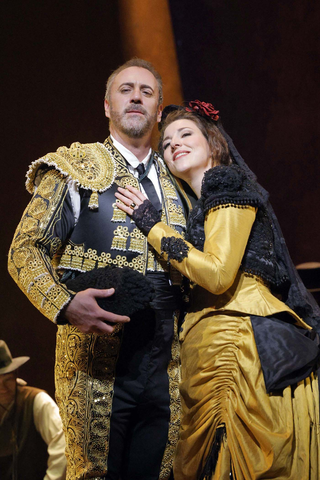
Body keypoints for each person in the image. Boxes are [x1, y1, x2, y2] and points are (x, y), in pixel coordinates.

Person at [115, 100, 320, 480]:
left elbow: (218, 275)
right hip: (210, 340)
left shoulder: (225, 183)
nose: (173, 143)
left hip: (238, 340)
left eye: (185, 134)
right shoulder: (202, 203)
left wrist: (151, 224)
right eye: (167, 142)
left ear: (214, 142)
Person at [7, 58, 189, 480]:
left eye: (147, 91)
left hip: (170, 359)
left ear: (159, 110)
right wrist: (66, 305)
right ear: (107, 105)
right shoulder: (75, 169)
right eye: (126, 90)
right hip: (94, 358)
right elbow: (24, 250)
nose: (136, 97)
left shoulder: (182, 177)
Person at [0, 339, 66, 480]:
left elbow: (62, 447)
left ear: (15, 376)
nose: (3, 388)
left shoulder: (37, 400)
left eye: (7, 379)